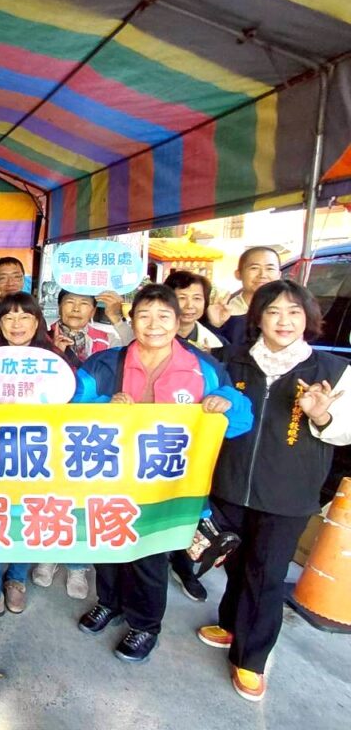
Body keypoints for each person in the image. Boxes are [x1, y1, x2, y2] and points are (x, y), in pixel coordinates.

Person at [73, 284, 252, 664]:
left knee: (149, 557)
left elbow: (240, 421)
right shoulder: (106, 363)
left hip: (166, 484)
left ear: (178, 320)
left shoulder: (201, 367)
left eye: (163, 316)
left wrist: (225, 403)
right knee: (106, 542)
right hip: (110, 475)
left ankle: (145, 625)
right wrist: (104, 405)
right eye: (144, 316)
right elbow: (72, 404)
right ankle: (109, 602)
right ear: (132, 319)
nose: (153, 325)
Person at [198, 279, 351, 701]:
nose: (284, 321)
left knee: (266, 575)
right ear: (258, 318)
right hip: (231, 484)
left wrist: (321, 416)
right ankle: (230, 626)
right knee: (235, 563)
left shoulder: (332, 370)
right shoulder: (232, 361)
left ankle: (252, 659)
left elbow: (345, 432)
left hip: (288, 494)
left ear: (308, 318)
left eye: (294, 312)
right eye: (273, 311)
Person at [0, 293, 86, 623]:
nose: (16, 324)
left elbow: (75, 403)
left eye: (24, 316)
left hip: (39, 457)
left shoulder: (55, 360)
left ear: (37, 321)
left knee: (29, 519)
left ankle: (16, 581)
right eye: (8, 317)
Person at [162, 270, 225, 603]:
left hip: (192, 443)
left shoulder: (215, 346)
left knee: (187, 506)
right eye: (181, 297)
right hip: (149, 440)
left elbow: (229, 396)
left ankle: (185, 567)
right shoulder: (144, 335)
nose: (188, 305)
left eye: (196, 298)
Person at [207, 246, 281, 348]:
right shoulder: (225, 312)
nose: (262, 275)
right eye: (254, 268)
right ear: (238, 274)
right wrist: (215, 326)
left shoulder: (291, 312)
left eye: (270, 269)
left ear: (279, 275)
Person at [49, 289, 133, 366]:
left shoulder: (107, 340)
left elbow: (135, 351)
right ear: (59, 307)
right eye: (70, 302)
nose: (76, 309)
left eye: (84, 303)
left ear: (93, 311)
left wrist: (116, 320)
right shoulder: (44, 337)